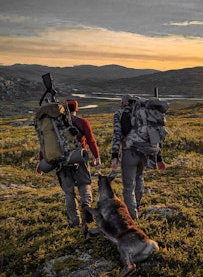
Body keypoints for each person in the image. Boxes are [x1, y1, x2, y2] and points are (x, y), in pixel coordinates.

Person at [37, 99, 101, 228]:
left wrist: (41, 161)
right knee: (84, 185)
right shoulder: (82, 122)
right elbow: (91, 141)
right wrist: (97, 157)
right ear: (76, 109)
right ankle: (86, 205)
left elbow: (45, 145)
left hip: (61, 162)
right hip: (78, 159)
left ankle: (74, 221)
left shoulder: (55, 125)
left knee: (69, 193)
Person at [111, 95, 166, 220]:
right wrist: (159, 159)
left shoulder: (120, 114)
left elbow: (117, 135)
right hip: (145, 153)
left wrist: (114, 155)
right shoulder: (146, 115)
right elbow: (154, 137)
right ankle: (138, 205)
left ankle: (132, 216)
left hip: (129, 153)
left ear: (124, 103)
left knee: (128, 186)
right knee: (139, 177)